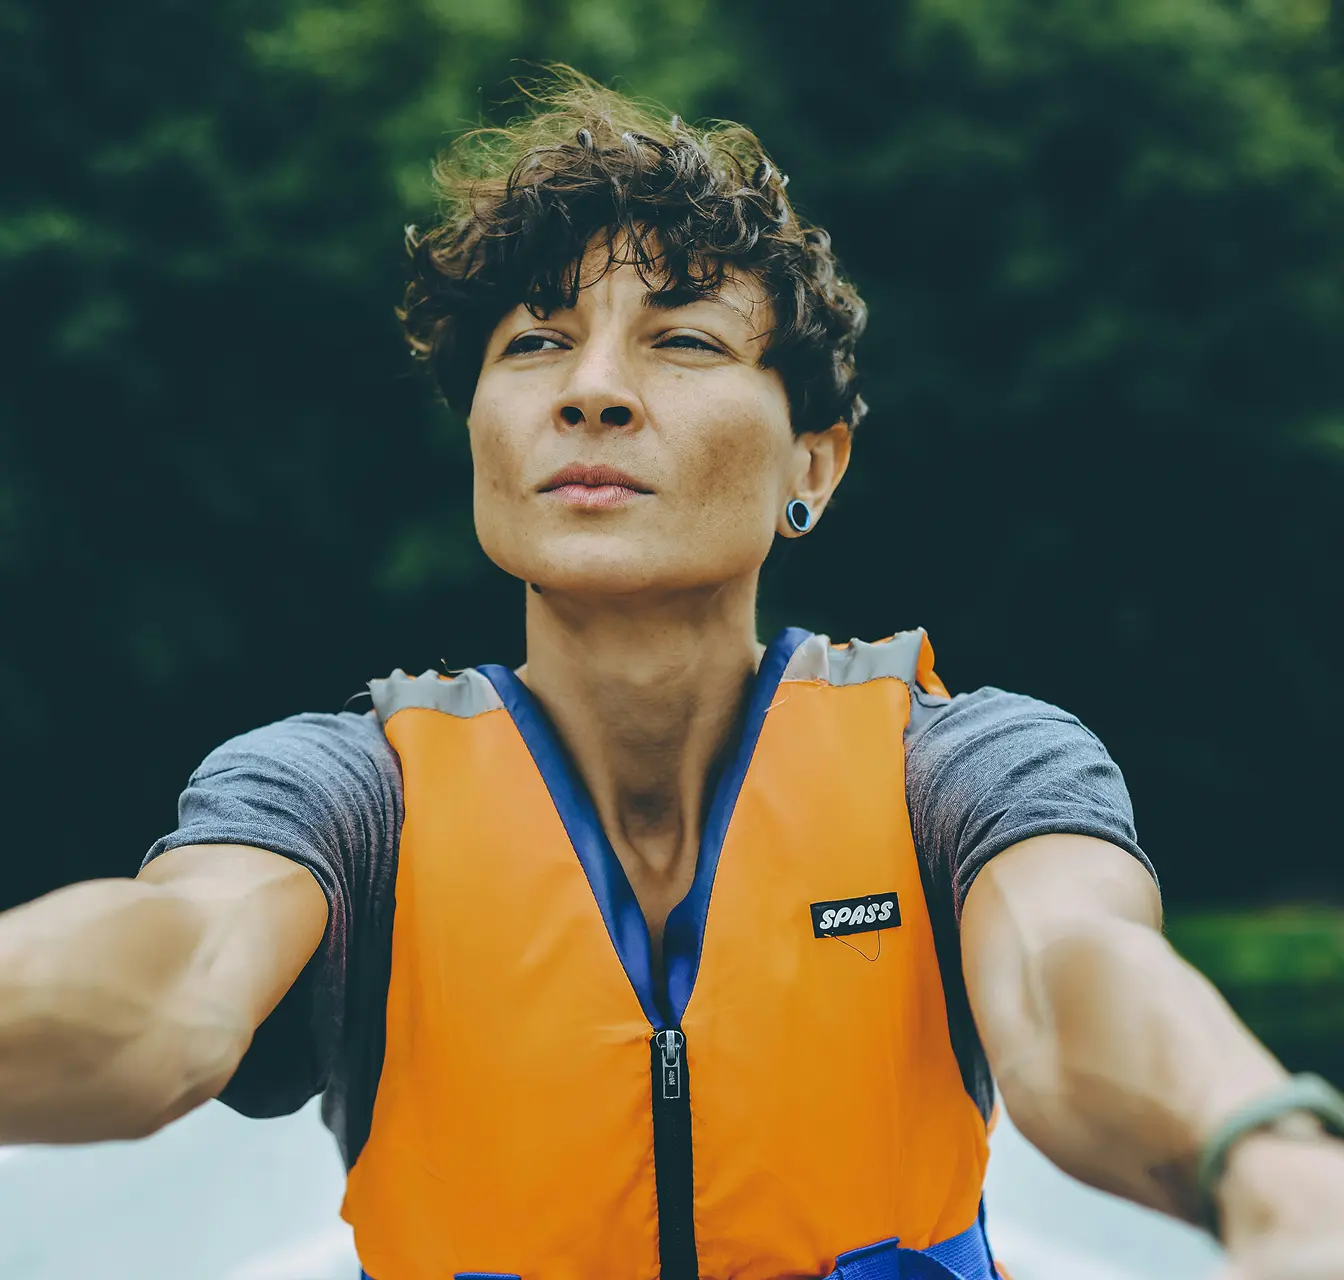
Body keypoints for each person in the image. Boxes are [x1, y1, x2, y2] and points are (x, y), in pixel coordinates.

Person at [1, 69, 1342, 1280]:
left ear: (812, 463)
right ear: (478, 430)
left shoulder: (966, 763)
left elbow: (1070, 979)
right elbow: (171, 978)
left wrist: (1265, 1160)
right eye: (532, 343)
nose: (591, 391)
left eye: (684, 342)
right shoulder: (341, 793)